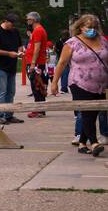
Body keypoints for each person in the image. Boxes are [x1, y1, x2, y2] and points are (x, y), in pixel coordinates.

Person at [51, 14, 108, 156]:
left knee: (93, 113)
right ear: (81, 27)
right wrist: (54, 82)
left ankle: (82, 143)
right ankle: (94, 143)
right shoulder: (72, 43)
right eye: (89, 27)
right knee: (87, 112)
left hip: (101, 84)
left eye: (95, 27)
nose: (92, 30)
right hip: (79, 83)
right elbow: (62, 63)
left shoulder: (103, 41)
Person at [0, 13, 24, 125]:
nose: (12, 27)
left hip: (11, 66)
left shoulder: (15, 31)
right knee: (1, 91)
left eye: (14, 25)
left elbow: (19, 45)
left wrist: (20, 52)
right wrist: (8, 53)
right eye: (11, 25)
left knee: (11, 92)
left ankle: (9, 115)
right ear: (5, 21)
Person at [24, 12, 50, 118]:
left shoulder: (38, 30)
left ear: (33, 20)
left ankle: (39, 110)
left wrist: (33, 63)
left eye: (28, 19)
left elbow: (37, 48)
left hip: (37, 63)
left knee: (37, 86)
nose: (27, 21)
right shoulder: (37, 30)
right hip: (36, 62)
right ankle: (39, 109)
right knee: (37, 86)